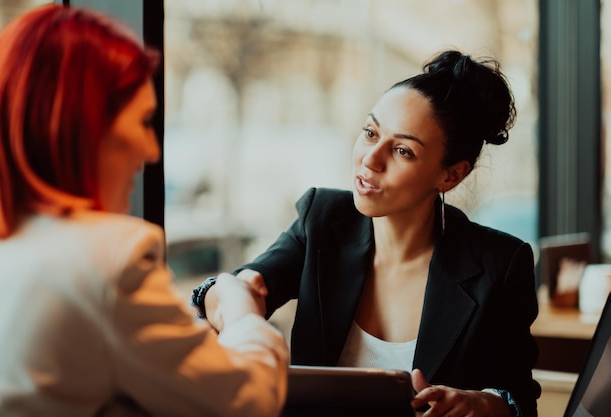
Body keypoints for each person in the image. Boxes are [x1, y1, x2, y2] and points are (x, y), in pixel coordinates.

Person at [193, 50, 541, 417]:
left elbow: (519, 400)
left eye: (403, 150)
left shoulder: (499, 265)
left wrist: (484, 404)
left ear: (450, 175)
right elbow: (221, 293)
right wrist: (237, 300)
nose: (371, 159)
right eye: (370, 133)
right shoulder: (322, 221)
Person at [0, 5, 288, 417]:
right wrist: (239, 311)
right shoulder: (107, 263)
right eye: (144, 121)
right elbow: (248, 400)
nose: (152, 151)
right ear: (83, 126)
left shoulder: (3, 246)